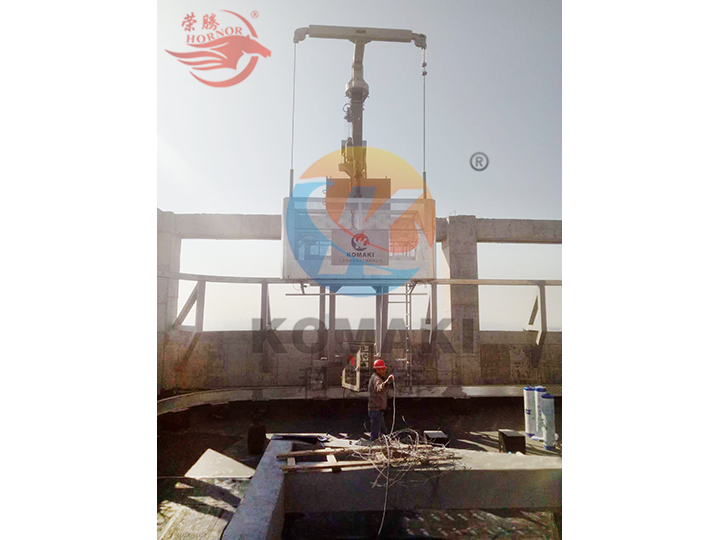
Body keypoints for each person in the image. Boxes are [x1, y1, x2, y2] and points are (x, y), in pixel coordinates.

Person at [367, 354, 394, 442]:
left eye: (384, 369)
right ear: (377, 369)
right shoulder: (377, 379)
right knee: (375, 432)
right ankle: (373, 444)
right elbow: (379, 388)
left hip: (377, 409)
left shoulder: (375, 377)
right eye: (382, 369)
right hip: (376, 409)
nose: (384, 371)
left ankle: (386, 442)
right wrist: (387, 382)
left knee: (382, 429)